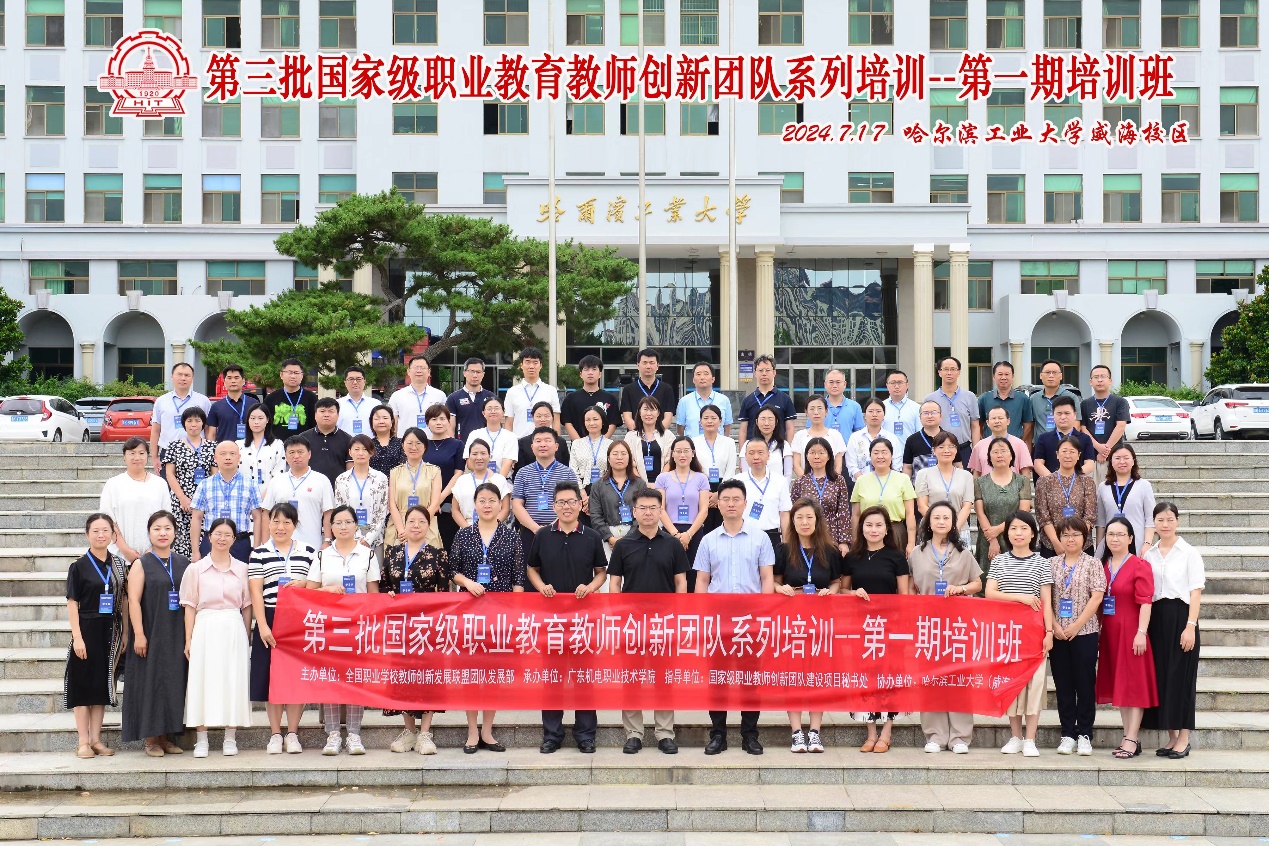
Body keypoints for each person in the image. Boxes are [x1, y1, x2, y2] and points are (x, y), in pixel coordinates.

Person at [526, 482, 608, 753]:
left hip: (583, 618)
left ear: (580, 505)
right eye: (561, 502)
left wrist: (590, 587)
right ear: (554, 506)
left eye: (571, 501)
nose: (567, 507)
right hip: (551, 619)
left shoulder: (591, 536)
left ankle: (586, 735)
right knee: (552, 677)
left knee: (584, 676)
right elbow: (532, 568)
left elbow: (601, 572)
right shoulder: (543, 535)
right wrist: (541, 587)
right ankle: (552, 735)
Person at [695, 479, 775, 755]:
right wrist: (702, 617)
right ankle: (718, 734)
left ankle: (750, 735)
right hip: (718, 621)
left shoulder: (760, 537)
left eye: (736, 499)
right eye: (726, 499)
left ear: (745, 503)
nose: (731, 504)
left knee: (749, 679)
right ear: (718, 504)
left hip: (750, 620)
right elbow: (702, 581)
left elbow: (767, 578)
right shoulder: (708, 540)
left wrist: (763, 614)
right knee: (717, 678)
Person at [609, 488, 688, 754]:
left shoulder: (673, 544)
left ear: (661, 511)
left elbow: (681, 582)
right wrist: (618, 618)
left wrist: (678, 616)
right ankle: (633, 733)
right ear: (634, 512)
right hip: (631, 624)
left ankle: (665, 733)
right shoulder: (623, 545)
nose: (648, 512)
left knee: (663, 678)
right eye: (642, 507)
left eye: (653, 507)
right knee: (631, 678)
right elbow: (615, 584)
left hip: (664, 623)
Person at [450, 483, 525, 752]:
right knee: (471, 673)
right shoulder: (464, 535)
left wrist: (514, 614)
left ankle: (488, 731)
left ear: (501, 504)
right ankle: (472, 731)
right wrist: (468, 583)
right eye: (482, 500)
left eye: (492, 500)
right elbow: (452, 570)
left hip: (500, 615)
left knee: (493, 673)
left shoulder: (511, 536)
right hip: (470, 613)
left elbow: (518, 577)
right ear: (474, 504)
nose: (487, 505)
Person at [305, 505, 381, 755]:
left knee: (355, 678)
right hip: (329, 626)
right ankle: (333, 734)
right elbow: (309, 593)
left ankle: (354, 734)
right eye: (338, 522)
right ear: (331, 527)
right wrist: (327, 590)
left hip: (358, 626)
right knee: (331, 679)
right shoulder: (322, 556)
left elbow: (373, 594)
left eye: (348, 522)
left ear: (356, 525)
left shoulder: (367, 555)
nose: (343, 526)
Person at [909, 501, 981, 754]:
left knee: (959, 679)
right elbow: (911, 586)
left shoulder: (963, 552)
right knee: (931, 679)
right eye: (936, 517)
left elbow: (977, 584)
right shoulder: (916, 553)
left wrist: (960, 589)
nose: (941, 521)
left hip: (958, 624)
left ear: (953, 523)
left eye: (946, 518)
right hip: (928, 624)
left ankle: (960, 736)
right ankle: (935, 735)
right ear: (928, 522)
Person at [380, 504, 449, 755]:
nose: (416, 526)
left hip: (427, 626)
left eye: (421, 521)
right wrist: (388, 595)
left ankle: (425, 734)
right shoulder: (392, 553)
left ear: (428, 526)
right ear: (404, 525)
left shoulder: (438, 555)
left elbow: (444, 593)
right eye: (411, 521)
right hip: (400, 625)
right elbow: (384, 586)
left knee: (428, 677)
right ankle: (409, 731)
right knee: (403, 677)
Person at [247, 503, 316, 755]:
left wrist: (305, 584)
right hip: (270, 616)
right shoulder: (259, 553)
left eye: (287, 522)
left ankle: (293, 733)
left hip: (299, 620)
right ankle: (276, 734)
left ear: (295, 525)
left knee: (296, 677)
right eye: (276, 521)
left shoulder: (308, 552)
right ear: (268, 524)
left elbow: (317, 584)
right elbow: (256, 591)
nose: (280, 527)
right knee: (270, 678)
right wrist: (262, 625)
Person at [181, 517, 253, 758]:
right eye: (218, 534)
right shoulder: (195, 569)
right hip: (205, 626)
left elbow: (247, 606)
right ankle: (201, 740)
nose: (222, 538)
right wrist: (189, 639)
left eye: (227, 535)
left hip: (233, 626)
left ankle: (230, 738)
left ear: (234, 539)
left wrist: (246, 634)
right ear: (209, 536)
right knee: (202, 680)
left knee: (233, 680)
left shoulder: (243, 569)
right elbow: (190, 606)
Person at [774, 498, 842, 753]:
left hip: (820, 623)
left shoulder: (830, 551)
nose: (805, 522)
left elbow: (836, 581)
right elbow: (774, 581)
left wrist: (830, 591)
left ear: (817, 521)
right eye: (799, 517)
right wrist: (780, 588)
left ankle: (814, 732)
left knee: (818, 676)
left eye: (809, 517)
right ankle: (796, 732)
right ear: (792, 521)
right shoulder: (783, 550)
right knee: (793, 676)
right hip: (792, 622)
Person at [985, 511, 1055, 758]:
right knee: (1011, 686)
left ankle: (1030, 739)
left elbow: (1046, 601)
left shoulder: (1042, 562)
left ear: (1033, 533)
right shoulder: (999, 561)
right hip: (1007, 633)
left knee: (1035, 685)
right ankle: (1015, 737)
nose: (1018, 533)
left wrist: (1049, 631)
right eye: (1013, 528)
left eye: (1024, 528)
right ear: (1007, 533)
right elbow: (990, 593)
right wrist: (1021, 598)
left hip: (1034, 633)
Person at [843, 505, 911, 752]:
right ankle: (870, 733)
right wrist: (853, 593)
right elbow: (843, 589)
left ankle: (886, 731)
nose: (873, 529)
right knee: (866, 678)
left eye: (878, 525)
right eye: (869, 525)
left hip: (889, 626)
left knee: (889, 677)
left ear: (886, 529)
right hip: (862, 626)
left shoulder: (897, 557)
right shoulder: (852, 557)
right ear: (861, 528)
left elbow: (903, 595)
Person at [121, 511, 189, 756]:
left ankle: (166, 737)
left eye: (167, 528)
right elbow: (133, 601)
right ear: (149, 533)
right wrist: (139, 634)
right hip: (151, 630)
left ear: (174, 533)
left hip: (176, 631)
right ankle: (151, 739)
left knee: (172, 681)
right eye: (157, 529)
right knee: (150, 682)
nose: (162, 533)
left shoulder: (184, 563)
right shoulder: (142, 563)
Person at [1142, 502, 1205, 759]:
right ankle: (1171, 736)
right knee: (1162, 677)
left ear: (1177, 521)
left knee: (1182, 678)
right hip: (1156, 618)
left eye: (1170, 519)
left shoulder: (1189, 553)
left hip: (1182, 617)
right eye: (1160, 520)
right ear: (1154, 523)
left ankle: (1184, 737)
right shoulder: (1150, 554)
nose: (1165, 524)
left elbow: (1195, 592)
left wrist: (1190, 626)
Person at [65, 513, 128, 758]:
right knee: (82, 686)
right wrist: (77, 637)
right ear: (87, 534)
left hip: (111, 631)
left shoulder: (119, 565)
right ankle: (83, 742)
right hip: (87, 628)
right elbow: (72, 603)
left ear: (113, 535)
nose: (101, 535)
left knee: (102, 686)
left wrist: (125, 632)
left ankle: (96, 740)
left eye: (105, 531)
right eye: (96, 531)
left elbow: (124, 601)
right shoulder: (78, 566)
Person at [1097, 516, 1157, 760]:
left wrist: (1141, 632)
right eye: (1110, 534)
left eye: (1120, 534)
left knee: (1134, 685)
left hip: (1132, 632)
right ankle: (1127, 735)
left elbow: (1146, 602)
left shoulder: (1139, 565)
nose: (1115, 539)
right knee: (1120, 686)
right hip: (1110, 632)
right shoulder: (1103, 565)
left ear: (1131, 538)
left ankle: (1132, 737)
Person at [1047, 516, 1106, 757]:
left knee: (1084, 684)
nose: (1070, 539)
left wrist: (1076, 626)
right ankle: (1068, 733)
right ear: (1059, 538)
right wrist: (1055, 626)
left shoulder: (1093, 563)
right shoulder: (1050, 563)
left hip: (1085, 633)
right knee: (1063, 685)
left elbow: (1097, 597)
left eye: (1075, 535)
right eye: (1066, 535)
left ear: (1085, 538)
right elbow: (1045, 598)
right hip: (1058, 634)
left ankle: (1084, 734)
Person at [99, 437, 170, 563]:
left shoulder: (160, 484)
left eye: (141, 453)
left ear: (147, 456)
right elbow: (107, 520)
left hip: (155, 555)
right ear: (124, 457)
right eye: (132, 453)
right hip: (120, 555)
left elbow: (167, 519)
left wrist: (153, 550)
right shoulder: (113, 484)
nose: (137, 457)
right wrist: (125, 550)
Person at [190, 440, 263, 561]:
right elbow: (196, 518)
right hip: (211, 543)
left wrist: (256, 549)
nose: (228, 457)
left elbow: (258, 517)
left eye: (232, 454)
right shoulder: (205, 484)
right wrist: (195, 551)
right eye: (223, 454)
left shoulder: (250, 484)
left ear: (239, 457)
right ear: (215, 458)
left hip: (240, 543)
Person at [512, 427, 581, 553]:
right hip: (529, 532)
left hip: (561, 531)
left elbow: (573, 504)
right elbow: (517, 504)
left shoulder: (568, 473)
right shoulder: (522, 473)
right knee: (529, 565)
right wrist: (536, 529)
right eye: (538, 441)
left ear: (556, 446)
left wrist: (551, 527)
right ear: (532, 447)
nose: (542, 444)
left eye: (547, 440)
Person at [260, 436, 336, 552]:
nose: (296, 456)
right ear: (285, 456)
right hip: (278, 547)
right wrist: (265, 544)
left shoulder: (321, 480)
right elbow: (266, 513)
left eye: (300, 452)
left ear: (309, 454)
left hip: (311, 546)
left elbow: (328, 513)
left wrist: (327, 540)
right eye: (291, 452)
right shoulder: (276, 481)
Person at [162, 406, 216, 558]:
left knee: (204, 542)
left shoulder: (212, 446)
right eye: (189, 421)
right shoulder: (174, 446)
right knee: (180, 543)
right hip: (181, 501)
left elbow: (214, 475)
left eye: (197, 421)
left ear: (203, 423)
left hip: (205, 501)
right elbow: (170, 474)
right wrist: (182, 498)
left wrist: (204, 500)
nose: (193, 424)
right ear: (184, 423)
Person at [974, 438, 1034, 571]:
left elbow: (1023, 512)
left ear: (1011, 455)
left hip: (1015, 537)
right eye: (995, 452)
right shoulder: (979, 482)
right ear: (989, 457)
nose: (999, 455)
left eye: (1003, 451)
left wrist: (998, 530)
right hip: (987, 539)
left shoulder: (1022, 481)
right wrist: (992, 540)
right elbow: (980, 513)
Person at [1035, 436, 1098, 558]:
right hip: (1052, 546)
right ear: (1057, 455)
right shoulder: (1044, 482)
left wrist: (1077, 541)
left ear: (1079, 455)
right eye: (1064, 451)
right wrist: (1056, 542)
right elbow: (1043, 517)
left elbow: (1089, 516)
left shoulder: (1087, 482)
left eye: (1072, 452)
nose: (1068, 455)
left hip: (1082, 545)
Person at [850, 438, 917, 553]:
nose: (880, 456)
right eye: (876, 453)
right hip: (868, 532)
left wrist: (911, 543)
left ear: (891, 455)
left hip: (895, 531)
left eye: (884, 452)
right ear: (870, 456)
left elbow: (910, 514)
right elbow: (855, 515)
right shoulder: (861, 481)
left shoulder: (903, 479)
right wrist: (855, 540)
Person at [790, 437, 852, 555]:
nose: (816, 457)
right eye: (812, 453)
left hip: (831, 537)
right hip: (807, 536)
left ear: (829, 456)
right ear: (806, 456)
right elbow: (793, 513)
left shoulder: (838, 480)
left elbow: (843, 512)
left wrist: (844, 542)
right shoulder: (800, 482)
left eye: (821, 453)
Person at [655, 436, 712, 565]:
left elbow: (704, 510)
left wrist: (688, 535)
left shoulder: (701, 478)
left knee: (694, 571)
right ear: (672, 454)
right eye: (678, 451)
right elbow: (660, 509)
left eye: (686, 451)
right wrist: (675, 535)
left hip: (694, 531)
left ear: (693, 453)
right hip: (669, 531)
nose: (682, 455)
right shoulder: (662, 478)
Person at [150, 362, 212, 475]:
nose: (183, 378)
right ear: (172, 377)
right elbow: (155, 430)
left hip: (196, 451)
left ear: (192, 378)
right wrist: (154, 457)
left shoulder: (203, 401)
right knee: (169, 484)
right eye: (179, 374)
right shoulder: (161, 401)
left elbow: (208, 429)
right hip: (169, 452)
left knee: (195, 485)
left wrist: (209, 453)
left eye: (187, 375)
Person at [386, 428, 443, 549]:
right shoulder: (395, 472)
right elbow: (392, 505)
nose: (413, 447)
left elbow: (435, 503)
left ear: (425, 446)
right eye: (409, 443)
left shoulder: (434, 471)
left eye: (418, 443)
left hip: (426, 525)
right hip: (400, 528)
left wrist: (419, 526)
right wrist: (403, 531)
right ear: (403, 446)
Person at [589, 440, 647, 560]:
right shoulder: (598, 485)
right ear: (608, 459)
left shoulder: (640, 484)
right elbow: (595, 516)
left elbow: (643, 512)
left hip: (635, 536)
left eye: (623, 454)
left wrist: (628, 538)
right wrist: (610, 538)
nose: (619, 457)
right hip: (608, 538)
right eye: (615, 454)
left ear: (629, 458)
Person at [1097, 442, 1157, 556]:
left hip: (1137, 544)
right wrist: (1099, 547)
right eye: (1117, 458)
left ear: (1133, 461)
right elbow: (1101, 522)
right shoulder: (1103, 487)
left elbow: (1150, 519)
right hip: (1111, 544)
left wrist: (1147, 543)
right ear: (1111, 461)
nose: (1122, 462)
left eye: (1126, 458)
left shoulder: (1144, 485)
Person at [914, 431, 975, 543]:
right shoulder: (924, 474)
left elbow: (967, 507)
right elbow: (922, 506)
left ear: (956, 450)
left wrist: (953, 529)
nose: (946, 450)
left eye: (951, 446)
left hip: (959, 529)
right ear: (934, 450)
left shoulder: (966, 476)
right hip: (931, 530)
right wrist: (938, 526)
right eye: (941, 447)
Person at [734, 438, 793, 551]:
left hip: (772, 536)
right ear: (745, 457)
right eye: (751, 453)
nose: (756, 457)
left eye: (760, 452)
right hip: (744, 535)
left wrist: (786, 542)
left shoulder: (780, 481)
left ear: (768, 455)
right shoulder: (737, 481)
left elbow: (784, 514)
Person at [334, 435, 391, 550]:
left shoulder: (381, 478)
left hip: (375, 537)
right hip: (349, 535)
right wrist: (354, 536)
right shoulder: (342, 479)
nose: (360, 453)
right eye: (356, 449)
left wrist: (368, 539)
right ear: (350, 452)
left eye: (365, 449)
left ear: (371, 452)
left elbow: (383, 510)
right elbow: (339, 509)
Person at [422, 404, 466, 547]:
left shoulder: (457, 445)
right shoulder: (422, 445)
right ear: (427, 422)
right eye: (434, 419)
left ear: (448, 422)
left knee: (448, 545)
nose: (439, 422)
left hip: (448, 503)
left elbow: (458, 473)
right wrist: (432, 502)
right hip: (425, 502)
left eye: (442, 419)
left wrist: (439, 499)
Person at [924, 356, 981, 465]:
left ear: (959, 372)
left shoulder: (970, 397)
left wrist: (976, 451)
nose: (949, 373)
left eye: (953, 369)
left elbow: (975, 425)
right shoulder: (930, 399)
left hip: (964, 448)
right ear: (939, 372)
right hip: (939, 450)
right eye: (945, 369)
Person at [1081, 365, 1131, 486]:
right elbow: (1083, 428)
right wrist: (1098, 447)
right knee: (1091, 491)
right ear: (1090, 381)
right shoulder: (1085, 404)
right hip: (1090, 457)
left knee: (1113, 491)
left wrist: (1105, 451)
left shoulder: (1120, 402)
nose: (1099, 380)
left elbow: (1120, 426)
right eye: (1096, 377)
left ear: (1110, 380)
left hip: (1114, 456)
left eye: (1103, 376)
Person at [450, 439, 512, 527]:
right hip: (467, 529)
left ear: (489, 456)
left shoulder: (499, 480)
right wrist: (468, 530)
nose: (479, 457)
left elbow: (505, 509)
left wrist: (489, 527)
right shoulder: (462, 480)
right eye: (475, 454)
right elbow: (455, 510)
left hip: (494, 529)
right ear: (469, 457)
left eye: (483, 453)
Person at [738, 354, 796, 442]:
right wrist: (743, 450)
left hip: (777, 446)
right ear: (755, 373)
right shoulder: (748, 400)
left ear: (774, 373)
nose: (764, 374)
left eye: (767, 370)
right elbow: (743, 430)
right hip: (754, 447)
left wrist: (789, 448)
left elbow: (790, 428)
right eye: (760, 370)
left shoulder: (785, 399)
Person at [1033, 395, 1096, 477]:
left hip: (1077, 481)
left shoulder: (1085, 438)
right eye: (1059, 413)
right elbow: (1038, 464)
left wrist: (1073, 478)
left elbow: (1090, 464)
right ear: (1053, 415)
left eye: (1067, 413)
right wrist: (1054, 479)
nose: (1063, 417)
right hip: (1051, 481)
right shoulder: (1043, 438)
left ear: (1075, 415)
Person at [504, 347, 560, 437]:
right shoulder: (512, 392)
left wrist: (556, 441)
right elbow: (508, 422)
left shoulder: (551, 391)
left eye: (535, 362)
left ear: (540, 366)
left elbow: (556, 420)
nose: (531, 366)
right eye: (527, 362)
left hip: (544, 442)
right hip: (519, 442)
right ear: (521, 365)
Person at [561, 355, 620, 439]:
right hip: (578, 444)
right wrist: (579, 443)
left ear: (600, 374)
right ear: (581, 374)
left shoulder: (610, 398)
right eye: (586, 369)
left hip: (603, 445)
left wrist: (601, 443)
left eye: (594, 369)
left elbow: (613, 423)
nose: (590, 373)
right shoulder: (571, 398)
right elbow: (567, 423)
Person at [389, 355, 448, 438]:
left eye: (422, 368)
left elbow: (446, 422)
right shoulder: (397, 396)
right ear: (408, 371)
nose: (419, 371)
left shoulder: (439, 395)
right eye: (416, 368)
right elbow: (393, 424)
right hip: (406, 443)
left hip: (432, 442)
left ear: (429, 371)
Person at [620, 348, 678, 431]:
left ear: (657, 366)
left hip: (660, 435)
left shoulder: (667, 389)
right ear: (638, 365)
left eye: (651, 363)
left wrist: (655, 434)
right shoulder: (628, 390)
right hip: (635, 435)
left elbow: (668, 418)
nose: (648, 366)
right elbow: (627, 417)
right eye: (644, 363)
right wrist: (640, 434)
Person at [967, 407, 1034, 476]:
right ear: (987, 423)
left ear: (1008, 421)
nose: (997, 421)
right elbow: (976, 474)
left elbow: (1026, 473)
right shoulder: (979, 446)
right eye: (993, 418)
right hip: (986, 483)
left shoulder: (1020, 444)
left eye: (1000, 418)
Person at [978, 360, 1034, 443]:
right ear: (994, 377)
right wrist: (985, 442)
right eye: (1000, 374)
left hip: (1014, 446)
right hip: (991, 446)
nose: (1003, 377)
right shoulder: (984, 399)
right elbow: (979, 425)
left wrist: (1020, 442)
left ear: (1012, 376)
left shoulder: (1023, 399)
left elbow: (1028, 425)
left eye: (1007, 374)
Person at [843, 397, 898, 481]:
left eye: (878, 411)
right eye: (871, 411)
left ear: (884, 415)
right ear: (864, 415)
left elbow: (896, 464)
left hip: (887, 484)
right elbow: (852, 465)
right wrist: (865, 482)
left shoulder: (891, 438)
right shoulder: (855, 437)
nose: (874, 414)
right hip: (861, 484)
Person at [301, 398, 353, 487]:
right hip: (308, 488)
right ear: (315, 415)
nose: (326, 415)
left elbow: (350, 471)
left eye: (331, 411)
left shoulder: (348, 440)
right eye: (322, 411)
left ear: (338, 415)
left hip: (338, 488)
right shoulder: (303, 438)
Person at [792, 395, 848, 477]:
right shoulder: (799, 436)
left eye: (820, 408)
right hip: (805, 482)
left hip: (830, 482)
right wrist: (808, 482)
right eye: (812, 409)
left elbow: (838, 466)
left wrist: (830, 482)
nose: (816, 412)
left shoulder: (835, 435)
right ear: (806, 412)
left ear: (826, 411)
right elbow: (796, 466)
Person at [262, 358, 318, 440]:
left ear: (302, 375)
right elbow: (265, 425)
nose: (293, 376)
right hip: (278, 445)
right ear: (281, 375)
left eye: (296, 373)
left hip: (304, 444)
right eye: (290, 372)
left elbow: (315, 425)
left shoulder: (311, 398)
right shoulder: (271, 398)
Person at [445, 357, 498, 440]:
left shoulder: (491, 397)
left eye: (478, 372)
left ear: (483, 374)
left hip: (486, 444)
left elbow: (495, 423)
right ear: (464, 373)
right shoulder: (453, 398)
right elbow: (450, 427)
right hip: (462, 444)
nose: (475, 375)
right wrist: (453, 444)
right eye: (472, 371)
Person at [464, 396, 517, 478]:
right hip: (478, 480)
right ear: (483, 413)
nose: (493, 411)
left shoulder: (510, 436)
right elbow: (470, 463)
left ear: (503, 412)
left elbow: (507, 463)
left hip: (502, 480)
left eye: (496, 408)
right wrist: (485, 477)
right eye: (489, 409)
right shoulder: (474, 434)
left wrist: (497, 481)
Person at [623, 396, 673, 482]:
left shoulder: (668, 435)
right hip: (637, 484)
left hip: (663, 483)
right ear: (639, 412)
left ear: (658, 413)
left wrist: (659, 482)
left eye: (652, 409)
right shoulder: (630, 436)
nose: (649, 413)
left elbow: (670, 461)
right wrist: (641, 483)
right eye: (645, 409)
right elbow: (629, 462)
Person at [1030, 358, 1076, 450]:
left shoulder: (1071, 397)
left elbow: (1076, 424)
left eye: (1054, 372)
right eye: (1047, 372)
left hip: (1064, 447)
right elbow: (1031, 426)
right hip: (1040, 447)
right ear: (1041, 376)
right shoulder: (1033, 398)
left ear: (1061, 376)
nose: (1051, 376)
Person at [677, 361, 733, 437]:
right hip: (693, 443)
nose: (702, 377)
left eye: (706, 374)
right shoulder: (684, 401)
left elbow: (727, 426)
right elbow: (680, 428)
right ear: (693, 380)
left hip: (717, 443)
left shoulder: (724, 400)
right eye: (698, 374)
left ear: (713, 379)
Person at [205, 364, 259, 442]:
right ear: (224, 382)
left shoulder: (254, 404)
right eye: (229, 378)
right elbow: (211, 435)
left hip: (249, 448)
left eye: (236, 378)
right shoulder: (216, 406)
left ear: (243, 381)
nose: (233, 381)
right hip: (225, 448)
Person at [902, 401, 955, 478]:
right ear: (920, 417)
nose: (930, 416)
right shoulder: (911, 440)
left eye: (934, 412)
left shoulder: (950, 439)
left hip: (946, 484)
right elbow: (907, 467)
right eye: (925, 413)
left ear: (940, 416)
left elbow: (957, 464)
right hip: (920, 484)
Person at [516, 401, 571, 473]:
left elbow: (565, 467)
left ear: (552, 417)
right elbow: (519, 470)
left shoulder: (561, 442)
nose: (543, 419)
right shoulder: (523, 442)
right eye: (538, 416)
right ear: (532, 417)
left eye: (546, 416)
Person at [740, 405, 794, 478]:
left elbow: (788, 474)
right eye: (763, 419)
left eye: (770, 419)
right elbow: (745, 473)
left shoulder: (784, 445)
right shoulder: (748, 445)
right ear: (756, 421)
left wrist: (783, 485)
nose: (766, 423)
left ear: (776, 422)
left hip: (777, 485)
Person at [240, 404, 285, 489]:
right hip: (243, 492)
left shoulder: (277, 444)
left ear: (267, 420)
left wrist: (267, 493)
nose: (256, 422)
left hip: (269, 493)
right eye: (252, 418)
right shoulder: (239, 445)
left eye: (260, 418)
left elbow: (279, 474)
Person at [815, 369, 865, 445]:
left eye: (838, 382)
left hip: (847, 450)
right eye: (831, 382)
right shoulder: (817, 406)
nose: (834, 386)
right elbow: (811, 431)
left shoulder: (855, 407)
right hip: (823, 450)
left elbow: (859, 433)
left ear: (844, 384)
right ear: (825, 384)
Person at [569, 406, 612, 492]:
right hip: (581, 489)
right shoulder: (577, 444)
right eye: (588, 420)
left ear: (603, 421)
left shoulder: (610, 444)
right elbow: (573, 471)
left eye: (595, 419)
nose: (591, 423)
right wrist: (581, 491)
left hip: (606, 489)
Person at [337, 365, 376, 437]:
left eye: (358, 379)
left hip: (369, 443)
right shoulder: (337, 404)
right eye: (351, 379)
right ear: (345, 382)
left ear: (364, 381)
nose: (355, 382)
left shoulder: (375, 404)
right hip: (344, 443)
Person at [882, 370, 921, 441]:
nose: (896, 386)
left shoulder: (916, 408)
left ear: (907, 385)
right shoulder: (881, 407)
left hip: (908, 448)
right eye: (893, 383)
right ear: (887, 385)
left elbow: (920, 433)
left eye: (900, 382)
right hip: (886, 447)